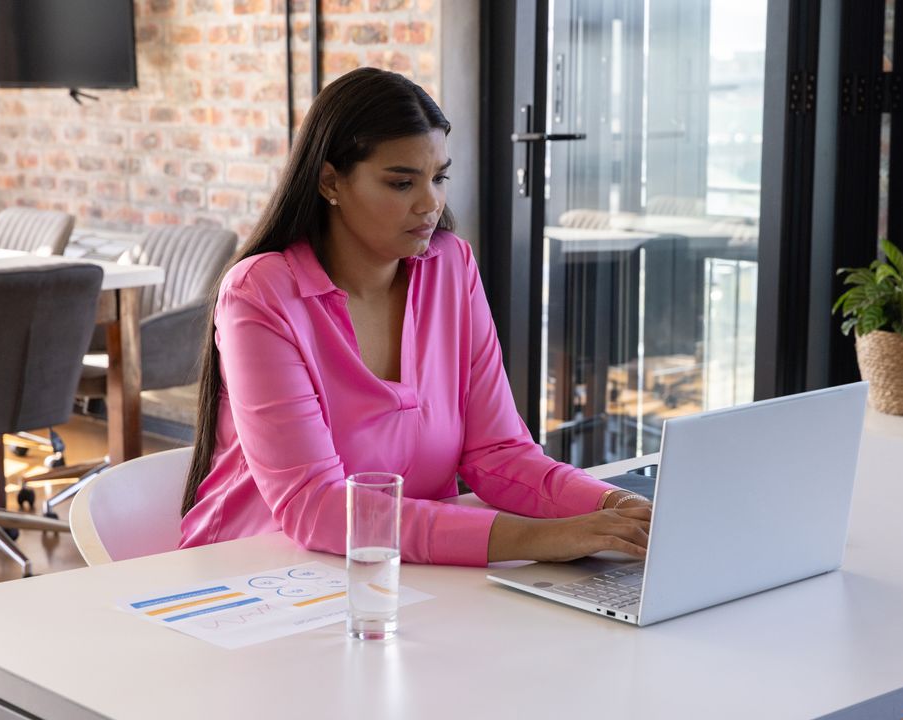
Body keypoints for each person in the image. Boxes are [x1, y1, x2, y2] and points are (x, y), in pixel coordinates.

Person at [179, 67, 651, 566]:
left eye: (439, 177)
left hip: (397, 573)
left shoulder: (452, 267)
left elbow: (500, 454)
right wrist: (542, 539)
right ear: (330, 180)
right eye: (402, 182)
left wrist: (619, 508)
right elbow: (316, 507)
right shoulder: (263, 293)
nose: (430, 203)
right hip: (252, 576)